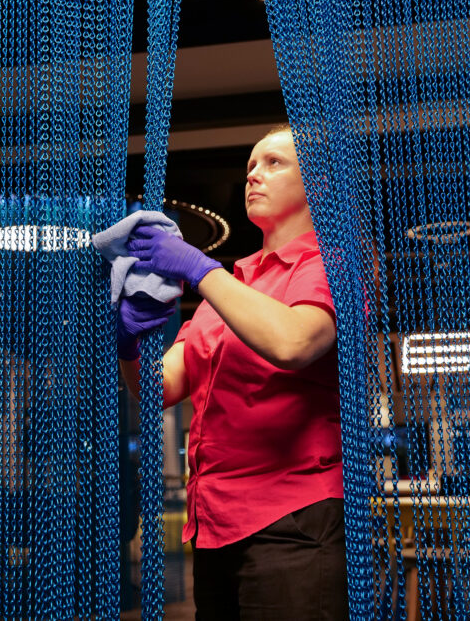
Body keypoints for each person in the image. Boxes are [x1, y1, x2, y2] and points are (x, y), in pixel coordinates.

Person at [113, 125, 347, 620]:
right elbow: (161, 388)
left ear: (319, 183)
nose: (253, 176)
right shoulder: (232, 287)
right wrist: (128, 345)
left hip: (293, 519)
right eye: (249, 168)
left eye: (273, 163)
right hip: (215, 521)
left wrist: (201, 270)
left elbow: (295, 341)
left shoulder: (330, 263)